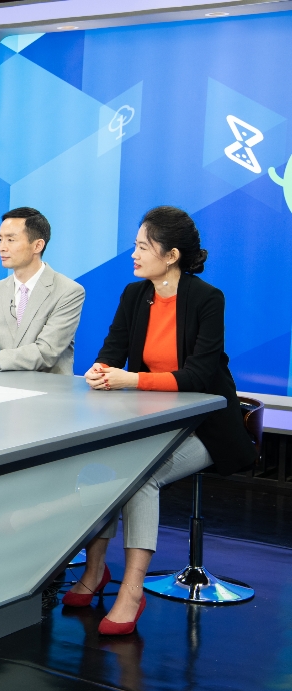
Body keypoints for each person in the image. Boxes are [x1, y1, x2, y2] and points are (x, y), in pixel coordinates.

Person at [66, 206, 257, 635]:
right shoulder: (135, 295)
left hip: (207, 425)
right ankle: (95, 569)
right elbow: (112, 350)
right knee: (100, 466)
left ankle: (131, 592)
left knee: (141, 477)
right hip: (150, 420)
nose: (133, 254)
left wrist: (129, 379)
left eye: (142, 247)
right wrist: (101, 370)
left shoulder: (207, 299)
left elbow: (198, 376)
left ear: (171, 255)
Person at [0, 207, 84, 373]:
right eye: (0, 239)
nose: (1, 247)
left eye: (10, 240)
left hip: (47, 385)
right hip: (2, 384)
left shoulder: (68, 291)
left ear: (37, 245)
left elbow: (46, 351)